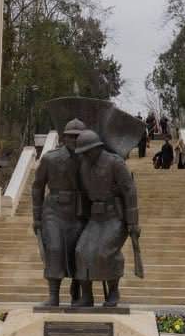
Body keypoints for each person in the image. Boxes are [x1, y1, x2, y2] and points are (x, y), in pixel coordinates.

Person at [72, 129, 140, 307]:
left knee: (105, 252)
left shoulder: (115, 163)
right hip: (95, 218)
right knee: (81, 251)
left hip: (115, 216)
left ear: (97, 148)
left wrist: (133, 222)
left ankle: (113, 291)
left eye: (87, 151)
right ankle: (87, 296)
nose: (85, 155)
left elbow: (129, 191)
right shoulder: (84, 166)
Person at [32, 118, 87, 307]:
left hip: (79, 211)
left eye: (78, 137)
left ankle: (76, 291)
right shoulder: (50, 158)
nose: (75, 140)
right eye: (71, 137)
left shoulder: (89, 159)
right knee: (54, 249)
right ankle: (53, 295)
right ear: (64, 138)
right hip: (54, 211)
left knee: (78, 252)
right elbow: (37, 187)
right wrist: (36, 217)